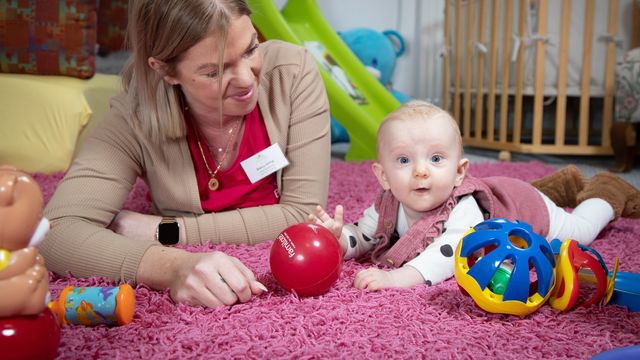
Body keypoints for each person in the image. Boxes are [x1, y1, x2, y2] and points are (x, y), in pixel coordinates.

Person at [40, 0, 331, 308]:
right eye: (215, 71)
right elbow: (55, 233)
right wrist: (171, 267)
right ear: (166, 70)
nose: (247, 80)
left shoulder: (292, 72)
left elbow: (303, 215)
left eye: (250, 49)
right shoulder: (135, 116)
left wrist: (167, 229)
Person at [309, 100, 640, 291]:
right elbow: (364, 235)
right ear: (383, 175)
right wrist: (338, 239)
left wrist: (394, 278)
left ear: (459, 172)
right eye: (404, 160)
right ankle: (563, 183)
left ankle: (606, 194)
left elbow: (445, 256)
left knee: (579, 232)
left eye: (436, 159)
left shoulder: (463, 209)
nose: (421, 171)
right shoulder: (388, 203)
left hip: (528, 207)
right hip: (507, 192)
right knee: (517, 191)